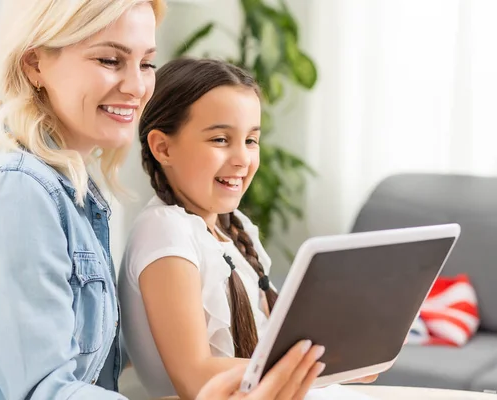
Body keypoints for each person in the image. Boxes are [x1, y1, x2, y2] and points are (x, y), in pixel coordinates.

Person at [0, 1, 332, 399]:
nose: (137, 85)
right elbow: (44, 393)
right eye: (110, 60)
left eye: (146, 63)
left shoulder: (72, 189)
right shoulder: (11, 191)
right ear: (35, 64)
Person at [118, 58, 378, 399]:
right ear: (163, 147)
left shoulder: (235, 229)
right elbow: (195, 378)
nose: (242, 159)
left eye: (251, 141)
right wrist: (317, 365)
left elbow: (279, 343)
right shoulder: (165, 232)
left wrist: (347, 350)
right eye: (221, 140)